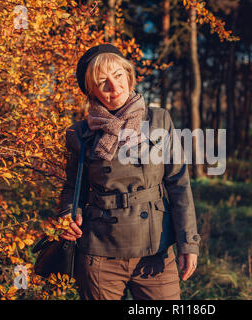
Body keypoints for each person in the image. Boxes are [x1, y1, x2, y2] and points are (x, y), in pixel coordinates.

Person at [56, 44, 201, 300]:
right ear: (92, 92)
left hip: (155, 251)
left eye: (118, 75)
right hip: (100, 253)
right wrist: (68, 216)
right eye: (103, 82)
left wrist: (188, 241)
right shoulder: (79, 133)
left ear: (128, 74)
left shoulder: (159, 120)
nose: (114, 86)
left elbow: (178, 184)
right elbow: (72, 188)